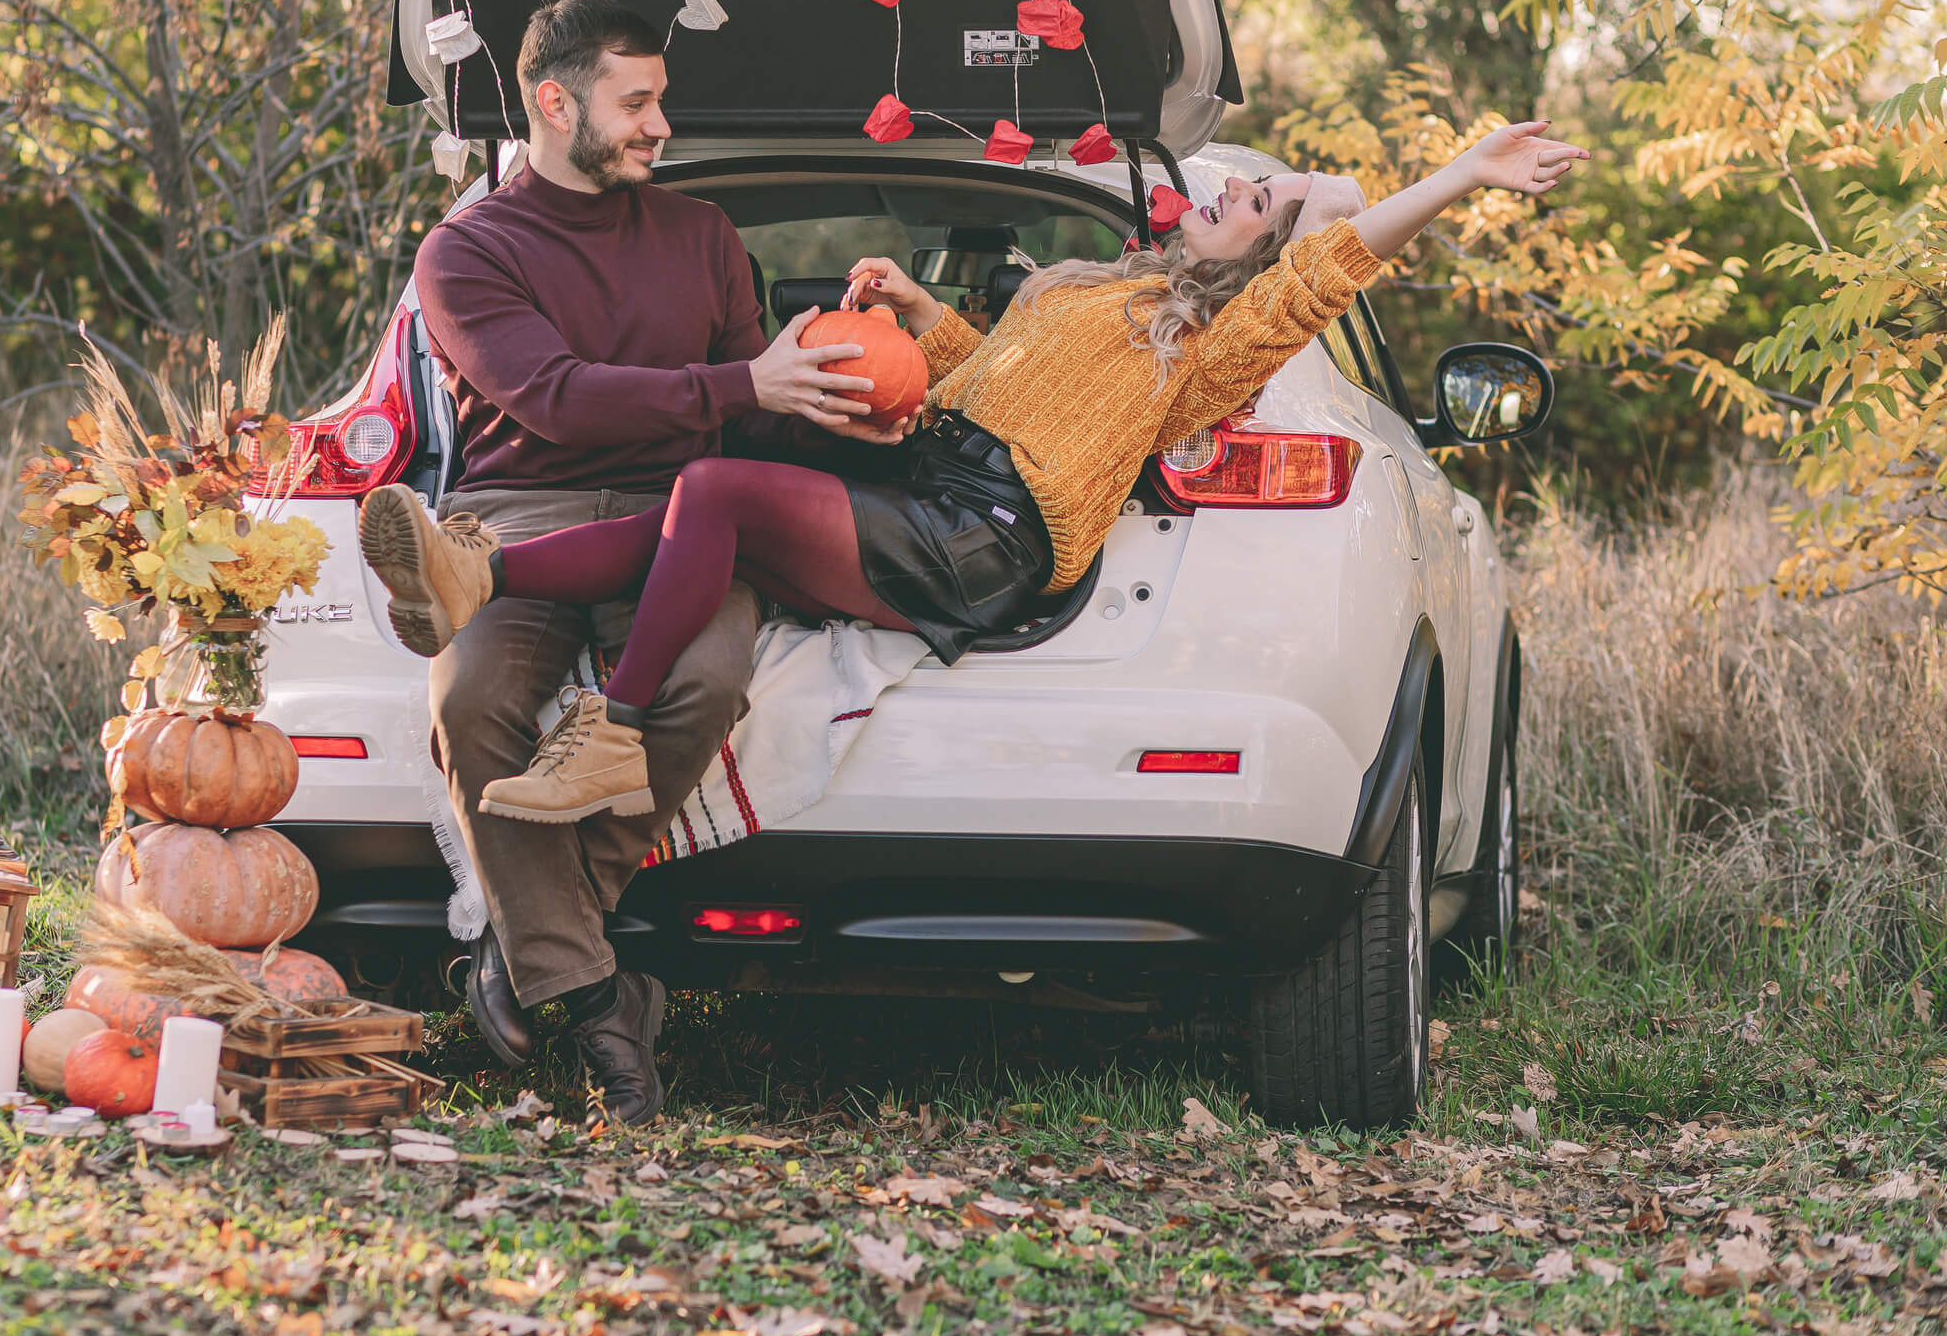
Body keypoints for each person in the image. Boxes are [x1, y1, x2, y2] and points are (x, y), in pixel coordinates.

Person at [364, 116, 1587, 849]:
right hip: (937, 473)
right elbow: (984, 379)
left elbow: (1329, 270)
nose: (1227, 196)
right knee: (720, 478)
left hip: (989, 538)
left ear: (1264, 252)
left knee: (722, 495)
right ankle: (478, 571)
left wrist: (1461, 174)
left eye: (1253, 205)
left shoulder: (1205, 346)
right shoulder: (1095, 288)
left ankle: (618, 736)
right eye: (1239, 187)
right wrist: (915, 311)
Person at [403, 0, 902, 1125]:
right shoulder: (468, 249)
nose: (658, 124)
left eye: (660, 101)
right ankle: (597, 995)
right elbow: (556, 401)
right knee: (471, 694)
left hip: (684, 517)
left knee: (708, 682)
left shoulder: (702, 234)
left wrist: (840, 402)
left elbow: (752, 420)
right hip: (517, 517)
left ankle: (537, 948)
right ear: (554, 99)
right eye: (637, 103)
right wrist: (742, 389)